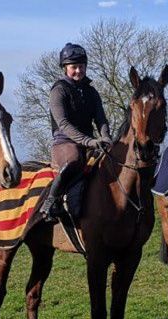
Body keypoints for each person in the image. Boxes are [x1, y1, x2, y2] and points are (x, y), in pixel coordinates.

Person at [38, 43, 112, 222]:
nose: (78, 70)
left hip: (89, 141)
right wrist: (89, 141)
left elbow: (101, 119)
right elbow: (63, 123)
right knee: (73, 160)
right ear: (65, 68)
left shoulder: (92, 92)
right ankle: (50, 203)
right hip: (64, 142)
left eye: (81, 66)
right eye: (74, 67)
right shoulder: (59, 90)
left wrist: (106, 137)